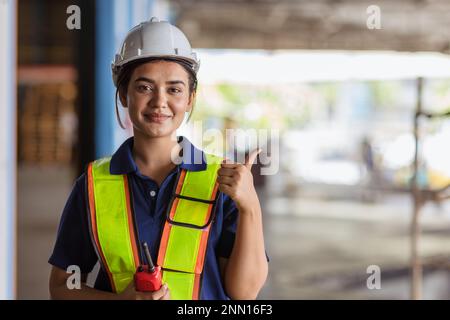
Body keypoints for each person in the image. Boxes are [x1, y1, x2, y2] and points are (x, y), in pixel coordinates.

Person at [48, 17, 268, 300]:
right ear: (124, 95)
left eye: (174, 89)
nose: (159, 102)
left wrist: (250, 206)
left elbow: (244, 294)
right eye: (144, 87)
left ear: (190, 98)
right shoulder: (93, 185)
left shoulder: (221, 180)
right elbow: (61, 285)